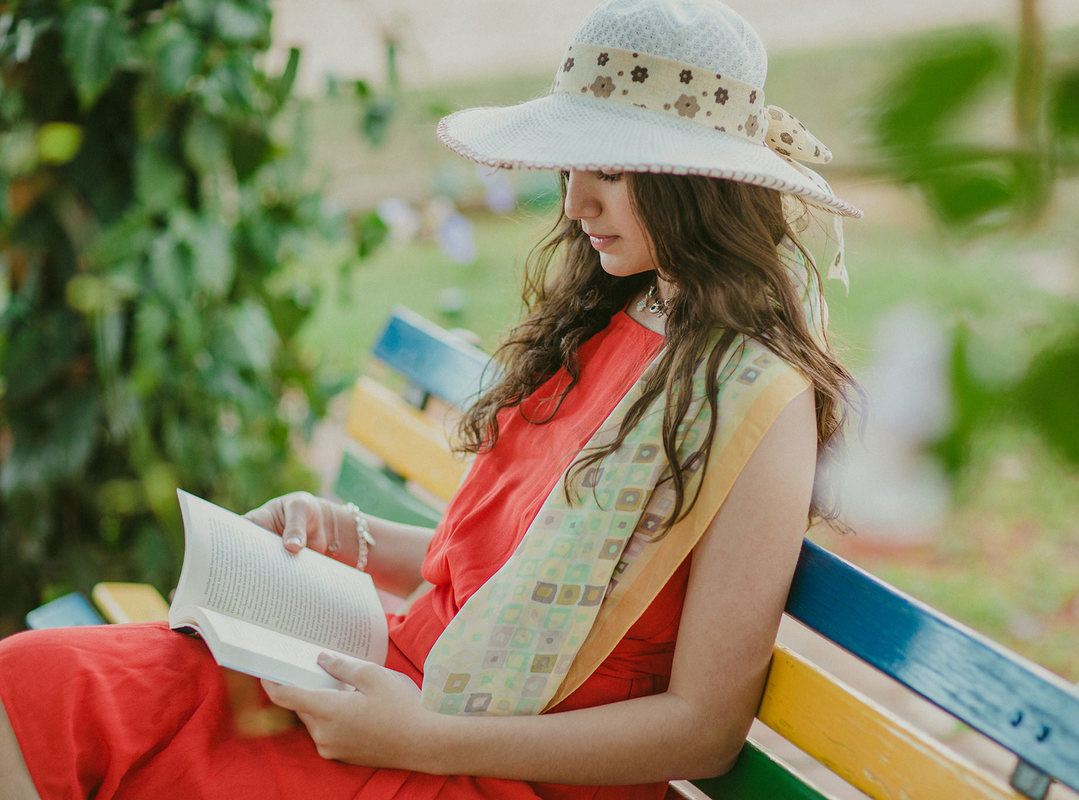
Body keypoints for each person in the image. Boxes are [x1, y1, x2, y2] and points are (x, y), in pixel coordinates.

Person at [0, 0, 862, 797]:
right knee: (38, 681)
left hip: (484, 762)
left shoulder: (758, 399)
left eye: (608, 169)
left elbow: (704, 732)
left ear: (698, 182)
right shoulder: (621, 313)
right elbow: (506, 577)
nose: (574, 201)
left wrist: (424, 740)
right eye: (572, 164)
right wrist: (347, 535)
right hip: (401, 686)